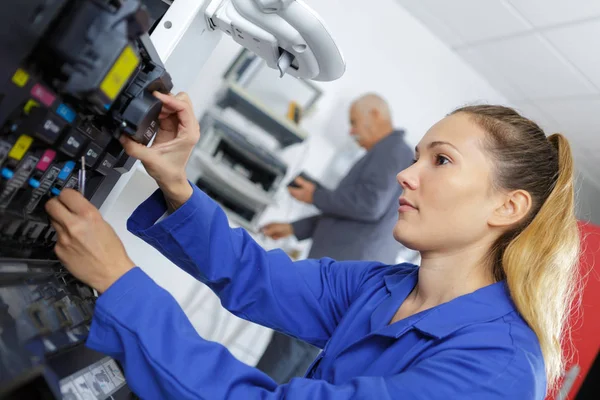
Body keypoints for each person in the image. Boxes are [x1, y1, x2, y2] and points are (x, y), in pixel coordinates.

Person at [45, 91, 581, 399]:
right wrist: (178, 181)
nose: (406, 175)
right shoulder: (384, 287)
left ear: (507, 207)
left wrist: (122, 284)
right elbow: (257, 276)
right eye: (417, 155)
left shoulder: (496, 370)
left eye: (440, 161)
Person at [257, 93, 413, 382]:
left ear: (377, 115)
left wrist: (315, 194)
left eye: (354, 123)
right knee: (299, 351)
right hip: (343, 274)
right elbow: (348, 214)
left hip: (342, 273)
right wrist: (295, 228)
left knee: (290, 344)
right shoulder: (385, 154)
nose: (352, 131)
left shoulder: (392, 151)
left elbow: (369, 204)